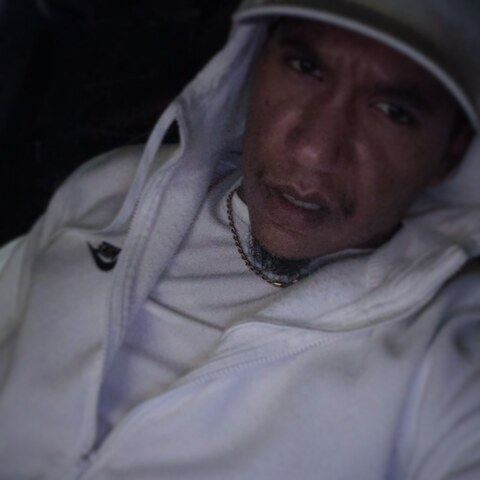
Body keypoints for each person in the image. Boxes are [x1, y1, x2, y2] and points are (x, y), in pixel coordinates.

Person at [1, 0, 479, 478]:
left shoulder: (449, 349)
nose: (314, 149)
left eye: (392, 111)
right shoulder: (109, 191)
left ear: (451, 153)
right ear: (253, 61)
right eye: (304, 67)